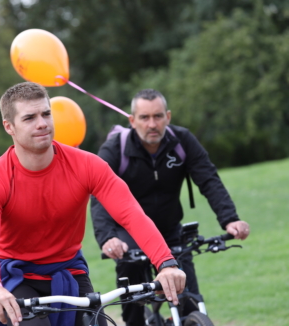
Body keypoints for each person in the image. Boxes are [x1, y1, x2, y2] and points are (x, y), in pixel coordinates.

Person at [0, 82, 186, 326]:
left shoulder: (87, 166)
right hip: (16, 277)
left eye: (46, 114)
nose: (42, 123)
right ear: (9, 127)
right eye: (29, 118)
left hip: (68, 270)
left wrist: (166, 263)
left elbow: (131, 214)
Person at [90, 89, 250, 326]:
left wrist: (230, 219)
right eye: (144, 117)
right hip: (129, 233)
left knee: (189, 298)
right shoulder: (115, 149)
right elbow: (100, 195)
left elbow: (208, 179)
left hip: (169, 228)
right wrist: (108, 238)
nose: (152, 124)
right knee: (133, 291)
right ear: (132, 121)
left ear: (168, 116)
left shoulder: (182, 141)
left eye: (158, 116)